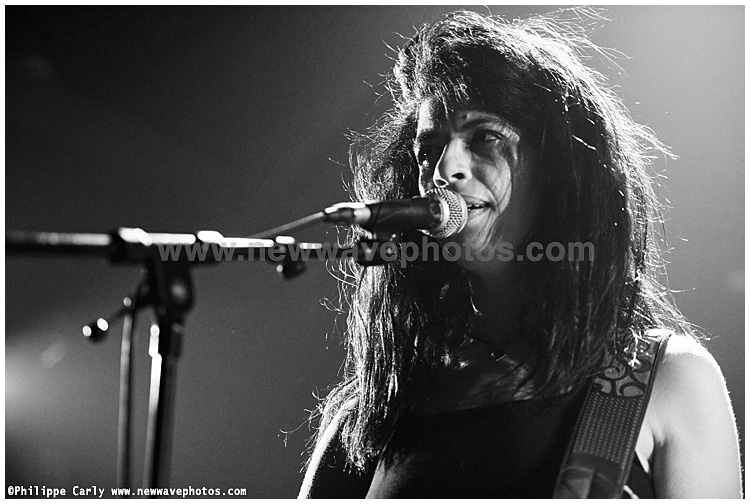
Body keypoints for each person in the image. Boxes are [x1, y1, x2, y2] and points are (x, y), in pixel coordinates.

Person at [299, 9, 742, 498]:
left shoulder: (667, 381)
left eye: (484, 138)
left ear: (559, 169)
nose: (443, 170)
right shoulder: (374, 414)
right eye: (429, 149)